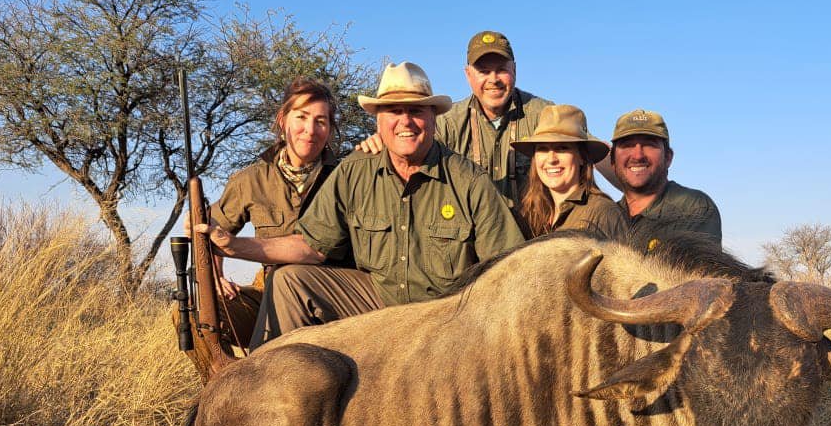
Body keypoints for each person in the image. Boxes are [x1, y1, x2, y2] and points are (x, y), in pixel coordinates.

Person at [198, 62, 524, 348]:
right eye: (394, 112)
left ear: (434, 118)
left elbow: (510, 270)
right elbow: (310, 247)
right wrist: (232, 245)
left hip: (444, 316)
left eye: (416, 110)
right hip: (376, 302)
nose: (405, 121)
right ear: (378, 121)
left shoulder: (469, 180)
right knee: (289, 282)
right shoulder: (354, 170)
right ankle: (265, 394)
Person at [177, 77, 342, 377]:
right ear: (282, 120)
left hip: (328, 301)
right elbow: (212, 230)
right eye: (301, 118)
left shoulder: (346, 176)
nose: (310, 130)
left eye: (321, 121)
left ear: (330, 129)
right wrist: (213, 275)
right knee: (191, 311)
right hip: (267, 292)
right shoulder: (250, 179)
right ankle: (217, 387)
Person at [433, 31, 554, 205]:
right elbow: (411, 152)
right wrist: (381, 141)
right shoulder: (447, 123)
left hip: (533, 230)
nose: (493, 79)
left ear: (514, 69)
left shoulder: (544, 114)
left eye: (501, 70)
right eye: (484, 71)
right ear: (468, 75)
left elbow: (587, 151)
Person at [610, 109, 722, 252]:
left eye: (649, 144)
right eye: (627, 145)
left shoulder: (694, 208)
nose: (638, 156)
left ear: (668, 157)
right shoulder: (606, 216)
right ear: (613, 161)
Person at [509, 104, 626, 240]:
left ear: (582, 157)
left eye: (562, 148)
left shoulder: (604, 213)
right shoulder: (528, 216)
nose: (551, 159)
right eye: (543, 149)